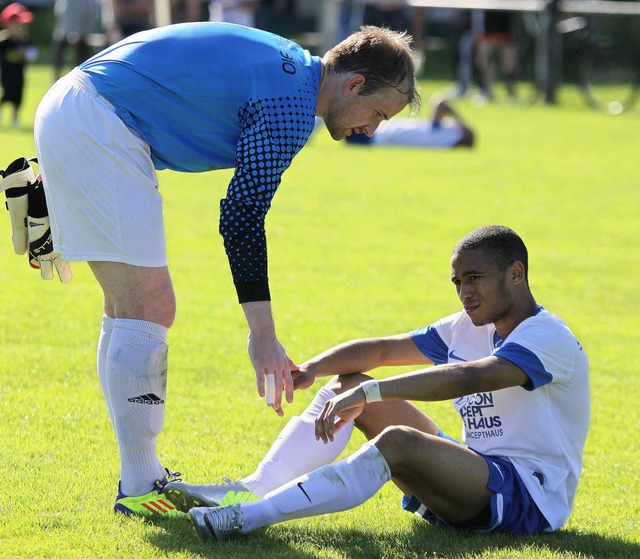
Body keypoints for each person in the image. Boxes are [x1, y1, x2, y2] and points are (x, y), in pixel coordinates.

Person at [30, 22, 419, 517]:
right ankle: (141, 485)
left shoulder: (293, 69)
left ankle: (140, 479)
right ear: (355, 84)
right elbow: (240, 215)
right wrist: (263, 334)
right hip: (98, 118)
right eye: (378, 112)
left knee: (130, 307)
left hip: (83, 106)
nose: (373, 128)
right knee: (148, 306)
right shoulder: (292, 105)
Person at [162, 225, 591, 541]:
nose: (463, 292)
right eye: (458, 282)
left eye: (474, 278)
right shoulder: (469, 325)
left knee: (396, 438)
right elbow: (384, 350)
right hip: (475, 469)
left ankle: (247, 519)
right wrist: (313, 369)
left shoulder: (546, 335)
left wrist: (372, 391)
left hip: (527, 497)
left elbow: (469, 378)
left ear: (516, 274)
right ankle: (250, 490)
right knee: (346, 385)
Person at [345, 97, 475, 148]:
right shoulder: (444, 141)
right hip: (376, 134)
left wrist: (462, 121)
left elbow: (440, 103)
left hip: (373, 134)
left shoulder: (445, 135)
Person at [0, 2, 37, 127]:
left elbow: (33, 54)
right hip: (6, 74)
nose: (22, 28)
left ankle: (15, 117)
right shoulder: (4, 41)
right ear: (9, 24)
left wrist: (25, 52)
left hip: (19, 73)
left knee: (18, 96)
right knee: (6, 93)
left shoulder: (25, 40)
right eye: (18, 24)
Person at [51, 0, 101, 81]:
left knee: (79, 59)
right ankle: (56, 77)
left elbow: (89, 14)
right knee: (58, 56)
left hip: (81, 32)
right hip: (63, 30)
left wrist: (80, 31)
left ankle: (76, 79)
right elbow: (60, 11)